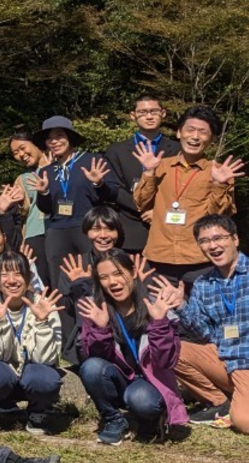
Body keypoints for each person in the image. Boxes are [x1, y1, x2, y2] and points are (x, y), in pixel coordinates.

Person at [71, 249, 187, 444]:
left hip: (151, 382)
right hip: (120, 377)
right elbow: (94, 360)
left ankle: (150, 421)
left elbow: (166, 361)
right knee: (91, 367)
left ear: (133, 273)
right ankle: (114, 420)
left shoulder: (156, 306)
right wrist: (100, 330)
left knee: (141, 398)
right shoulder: (97, 309)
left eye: (118, 273)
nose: (113, 282)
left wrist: (159, 324)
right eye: (104, 277)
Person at [32, 116, 119, 359]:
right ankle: (69, 348)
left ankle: (97, 336)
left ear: (70, 138)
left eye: (59, 136)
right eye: (49, 138)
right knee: (61, 288)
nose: (53, 141)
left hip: (87, 227)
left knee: (91, 282)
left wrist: (99, 182)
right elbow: (46, 208)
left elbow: (111, 193)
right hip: (58, 229)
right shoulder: (47, 170)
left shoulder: (93, 160)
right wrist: (44, 192)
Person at [133, 106, 242, 283]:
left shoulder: (220, 172)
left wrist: (218, 184)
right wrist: (149, 173)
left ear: (212, 140)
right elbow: (141, 203)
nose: (195, 137)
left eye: (203, 132)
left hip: (199, 260)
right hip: (159, 258)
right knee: (159, 310)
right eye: (190, 130)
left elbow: (220, 217)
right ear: (179, 133)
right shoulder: (160, 166)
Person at [0, 251, 64, 434]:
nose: (12, 280)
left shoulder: (43, 303)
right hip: (2, 372)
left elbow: (47, 359)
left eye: (18, 274)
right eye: (5, 275)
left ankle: (38, 411)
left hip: (32, 370)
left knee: (46, 377)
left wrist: (42, 323)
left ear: (29, 278)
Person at [174, 214, 249, 433]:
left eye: (219, 238)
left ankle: (240, 401)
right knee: (168, 349)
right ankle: (220, 402)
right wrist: (181, 306)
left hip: (247, 360)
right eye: (204, 241)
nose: (212, 246)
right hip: (224, 358)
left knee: (243, 422)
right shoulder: (202, 284)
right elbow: (203, 333)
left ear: (235, 239)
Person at [104, 96, 180, 254]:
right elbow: (116, 189)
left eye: (154, 111)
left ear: (163, 113)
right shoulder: (116, 150)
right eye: (143, 112)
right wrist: (143, 209)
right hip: (131, 227)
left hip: (170, 226)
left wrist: (158, 212)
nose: (149, 116)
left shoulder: (178, 149)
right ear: (133, 115)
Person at [9, 130, 52, 290]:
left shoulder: (61, 168)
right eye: (15, 153)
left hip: (61, 230)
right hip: (35, 234)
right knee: (42, 286)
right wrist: (19, 202)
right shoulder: (23, 178)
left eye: (22, 147)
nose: (21, 154)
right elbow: (22, 214)